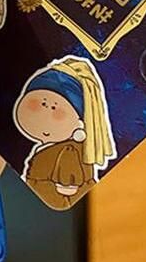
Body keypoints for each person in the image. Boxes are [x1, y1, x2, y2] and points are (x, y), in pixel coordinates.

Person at [13, 57, 117, 211]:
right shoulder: (52, 147)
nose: (45, 114)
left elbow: (67, 196)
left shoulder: (70, 151)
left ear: (79, 119)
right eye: (41, 104)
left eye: (55, 109)